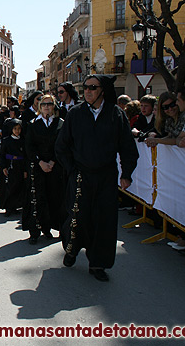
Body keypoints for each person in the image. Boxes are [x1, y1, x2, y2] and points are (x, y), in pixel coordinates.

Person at [55, 74, 138, 282]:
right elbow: (61, 146)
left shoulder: (116, 114)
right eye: (86, 87)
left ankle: (98, 263)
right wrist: (71, 169)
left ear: (103, 90)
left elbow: (128, 147)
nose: (88, 91)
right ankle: (71, 250)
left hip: (106, 176)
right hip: (81, 175)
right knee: (77, 217)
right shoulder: (75, 113)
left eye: (93, 87)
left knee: (104, 220)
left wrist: (126, 173)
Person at [24, 94, 66, 244]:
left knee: (56, 197)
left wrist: (53, 161)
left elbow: (62, 145)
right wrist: (40, 161)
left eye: (49, 104)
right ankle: (35, 231)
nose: (46, 107)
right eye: (43, 104)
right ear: (39, 107)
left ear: (54, 106)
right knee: (38, 198)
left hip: (55, 166)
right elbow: (29, 146)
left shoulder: (61, 123)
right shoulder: (33, 124)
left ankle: (54, 228)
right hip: (38, 166)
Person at [0, 119, 26, 216]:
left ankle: (15, 206)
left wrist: (25, 170)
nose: (17, 131)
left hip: (20, 166)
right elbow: (2, 155)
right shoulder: (6, 140)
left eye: (19, 129)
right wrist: (3, 167)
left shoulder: (23, 141)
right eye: (15, 129)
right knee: (9, 187)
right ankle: (8, 207)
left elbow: (26, 155)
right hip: (10, 166)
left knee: (18, 187)